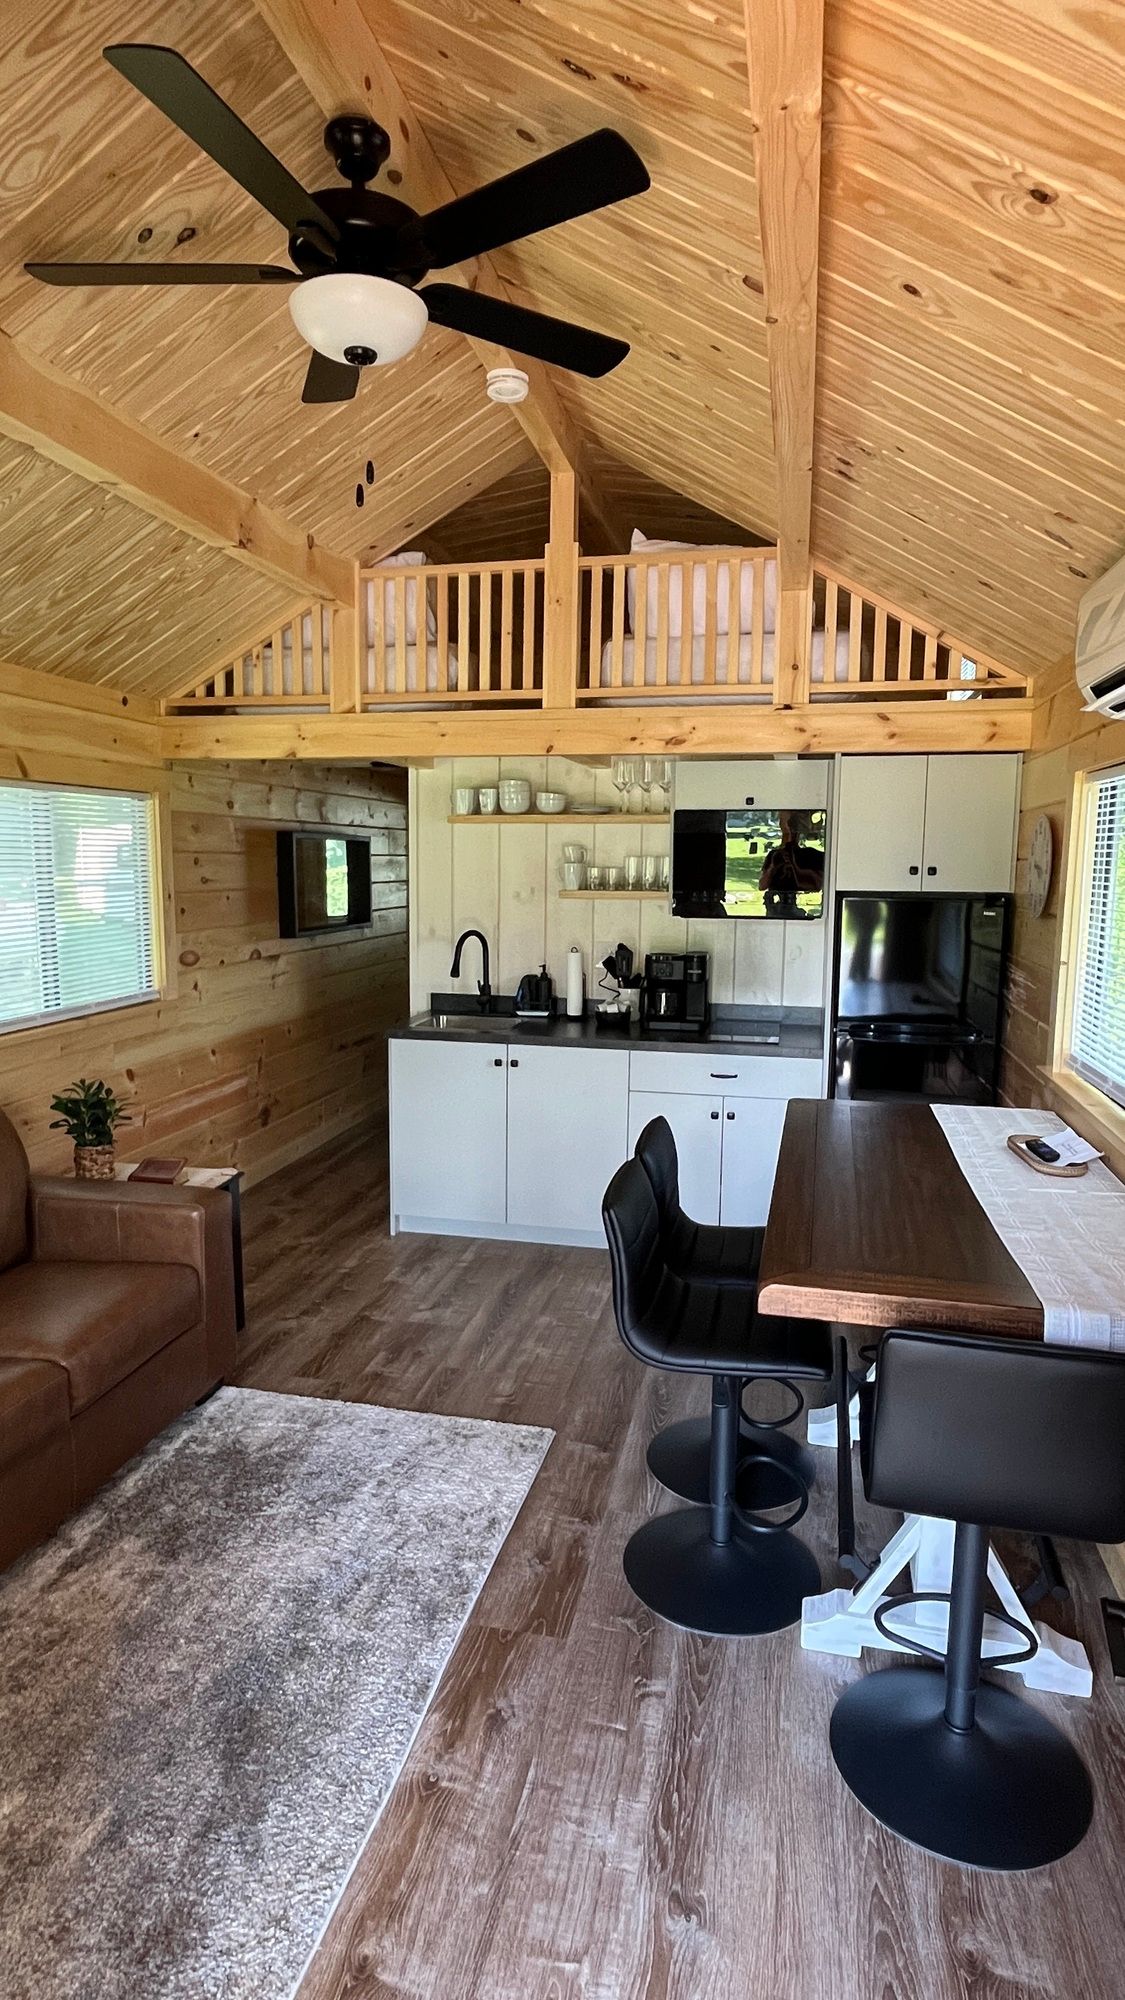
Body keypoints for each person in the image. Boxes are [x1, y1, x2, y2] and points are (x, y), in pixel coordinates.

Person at [758, 810, 824, 916]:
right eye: (787, 829)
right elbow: (762, 885)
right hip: (776, 910)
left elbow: (817, 886)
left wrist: (794, 866)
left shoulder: (813, 856)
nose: (789, 834)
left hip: (800, 911)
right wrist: (773, 867)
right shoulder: (775, 855)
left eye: (793, 829)